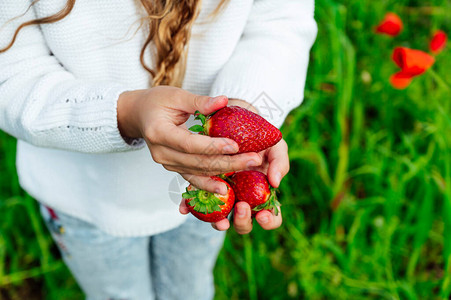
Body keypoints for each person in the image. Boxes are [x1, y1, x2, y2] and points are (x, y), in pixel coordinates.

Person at [0, 0, 317, 299]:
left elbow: (280, 20)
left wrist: (244, 109)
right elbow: (10, 72)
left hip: (211, 183)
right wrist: (125, 113)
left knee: (189, 287)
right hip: (85, 199)